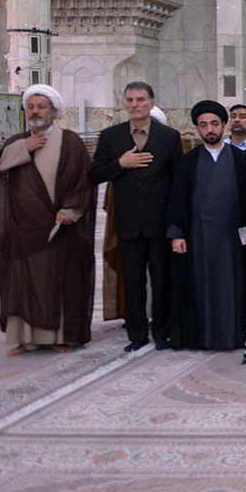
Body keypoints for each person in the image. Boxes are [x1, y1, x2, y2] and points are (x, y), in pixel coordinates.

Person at [0, 84, 95, 355]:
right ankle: (23, 339)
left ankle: (56, 337)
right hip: (22, 231)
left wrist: (71, 211)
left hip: (59, 228)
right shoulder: (16, 142)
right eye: (31, 107)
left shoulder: (70, 142)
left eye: (41, 107)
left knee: (56, 282)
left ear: (54, 111)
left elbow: (84, 182)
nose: (35, 112)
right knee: (22, 283)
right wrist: (24, 148)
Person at [88, 81, 183, 352]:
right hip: (128, 222)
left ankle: (162, 333)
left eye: (140, 100)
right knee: (133, 282)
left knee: (161, 280)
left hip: (159, 223)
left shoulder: (168, 137)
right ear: (124, 104)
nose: (135, 105)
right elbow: (94, 174)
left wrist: (176, 223)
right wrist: (120, 164)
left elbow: (178, 181)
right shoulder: (111, 137)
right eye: (129, 100)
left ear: (151, 104)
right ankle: (137, 335)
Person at [166, 100, 246, 349]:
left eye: (214, 124)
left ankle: (231, 336)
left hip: (232, 238)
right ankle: (204, 337)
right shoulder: (188, 162)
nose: (210, 129)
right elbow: (177, 200)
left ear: (224, 125)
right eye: (204, 125)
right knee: (201, 286)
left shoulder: (240, 159)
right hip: (198, 238)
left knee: (231, 285)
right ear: (197, 129)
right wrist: (177, 234)